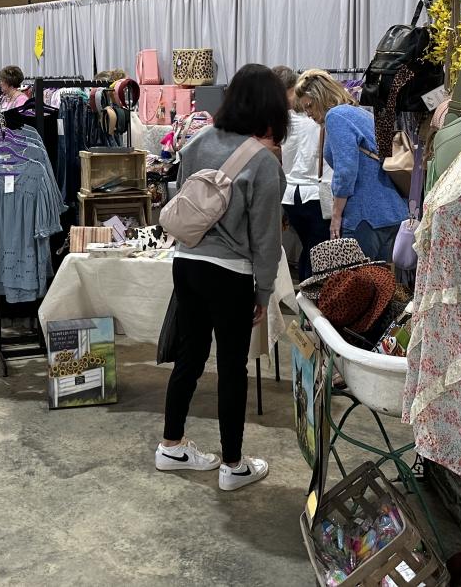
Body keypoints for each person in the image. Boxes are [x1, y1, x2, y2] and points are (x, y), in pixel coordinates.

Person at [156, 63, 287, 492]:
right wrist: (264, 292)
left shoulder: (196, 142)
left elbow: (182, 199)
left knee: (189, 357)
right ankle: (233, 464)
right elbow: (266, 239)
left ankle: (171, 445)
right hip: (231, 273)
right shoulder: (263, 163)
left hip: (186, 261)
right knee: (232, 366)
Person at [294, 69, 406, 262]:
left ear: (321, 97)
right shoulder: (359, 113)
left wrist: (336, 215)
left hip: (364, 216)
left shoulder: (336, 116)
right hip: (391, 211)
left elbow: (345, 171)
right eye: (305, 109)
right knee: (383, 279)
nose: (308, 113)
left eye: (310, 106)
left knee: (355, 279)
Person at [272, 66, 330, 281]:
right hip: (314, 193)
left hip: (290, 194)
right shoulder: (317, 116)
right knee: (319, 254)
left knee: (309, 248)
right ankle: (312, 296)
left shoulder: (281, 119)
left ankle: (306, 295)